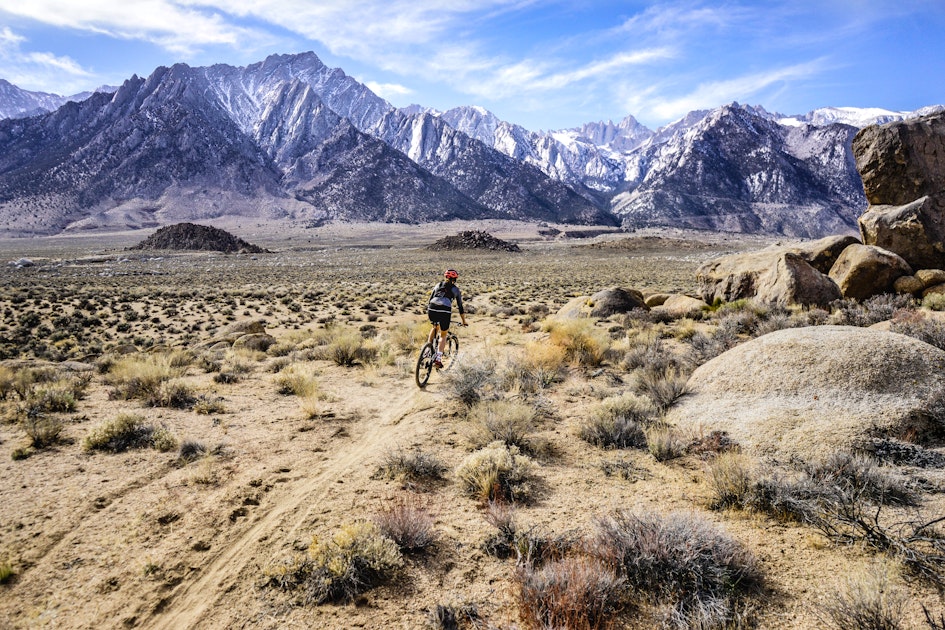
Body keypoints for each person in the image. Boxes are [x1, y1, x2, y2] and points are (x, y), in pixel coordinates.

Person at [427, 268, 467, 367]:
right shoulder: (456, 290)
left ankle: (427, 350)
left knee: (434, 327)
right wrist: (464, 321)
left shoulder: (438, 285)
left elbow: (430, 299)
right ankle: (438, 358)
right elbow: (460, 307)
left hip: (432, 308)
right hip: (445, 309)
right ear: (455, 279)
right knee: (443, 334)